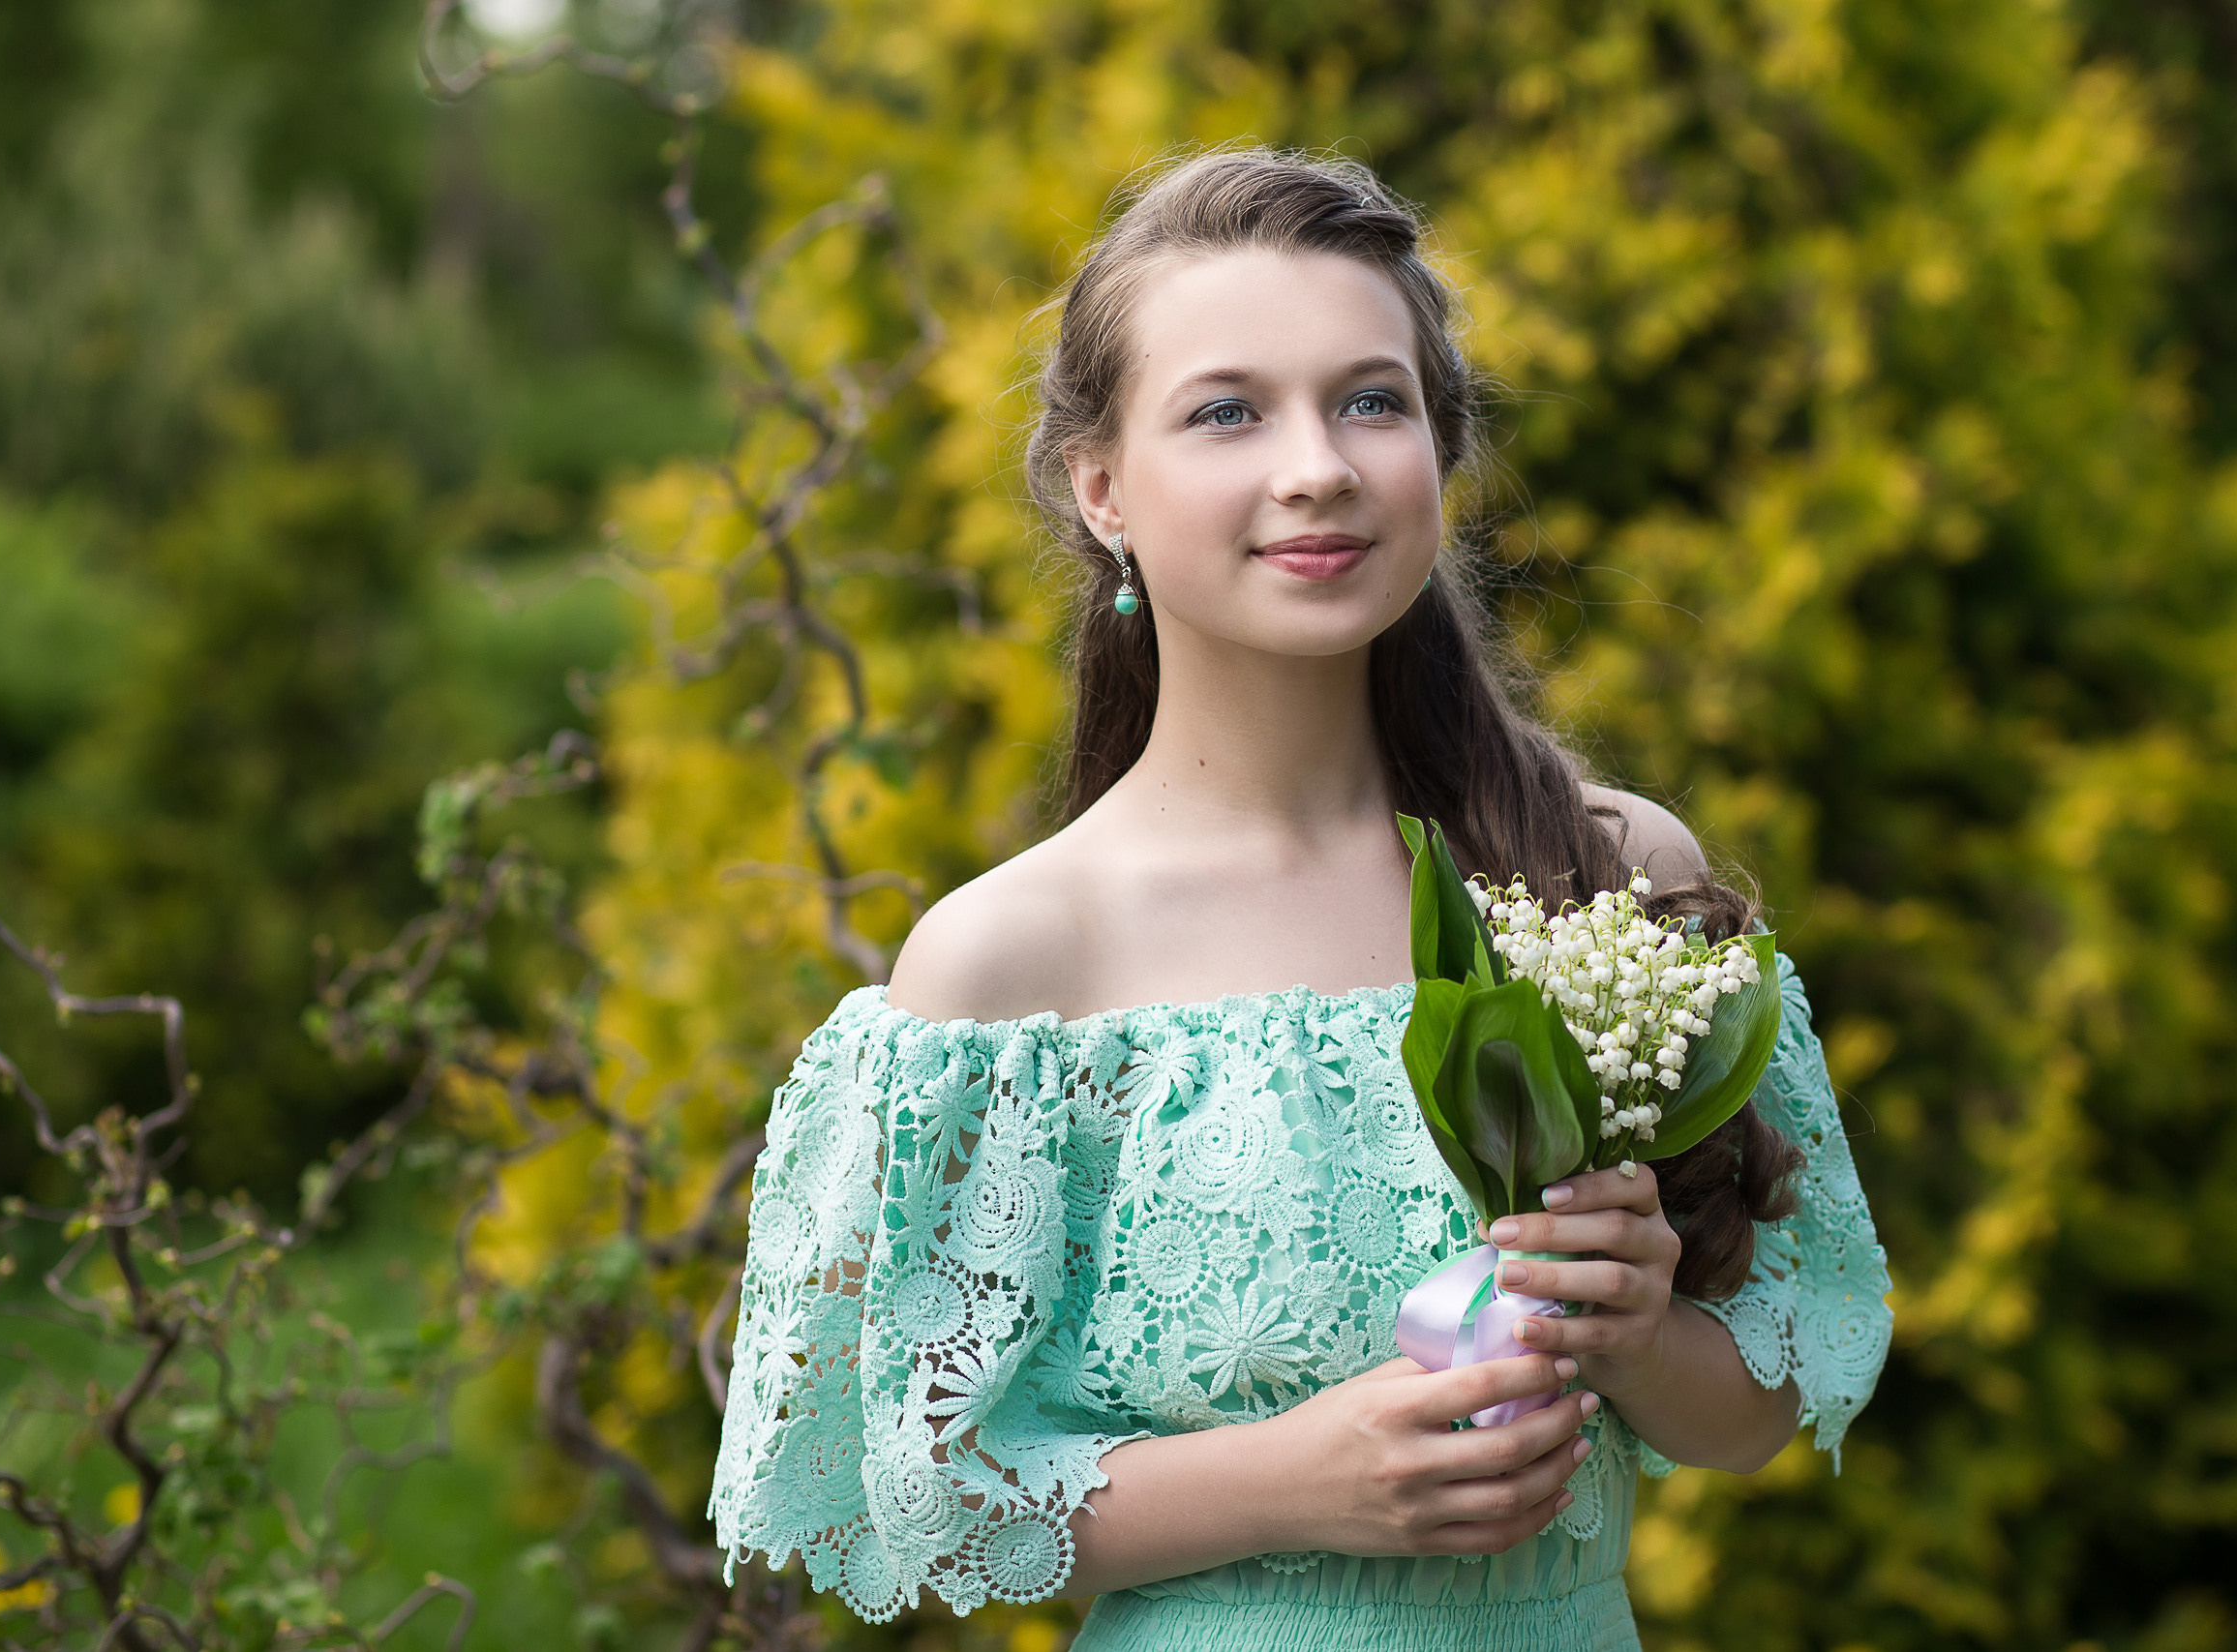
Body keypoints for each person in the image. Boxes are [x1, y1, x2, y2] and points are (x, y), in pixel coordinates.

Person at [709, 147, 1892, 1651]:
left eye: (1370, 399)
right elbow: (928, 1496)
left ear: (1438, 453)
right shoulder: (1013, 959)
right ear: (1101, 488)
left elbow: (1761, 1405)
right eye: (1226, 412)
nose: (1317, 464)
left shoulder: (1607, 879)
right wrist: (1291, 1485)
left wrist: (1641, 1327)